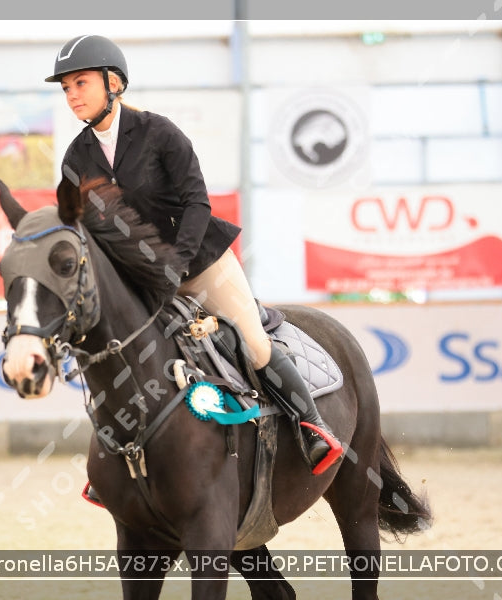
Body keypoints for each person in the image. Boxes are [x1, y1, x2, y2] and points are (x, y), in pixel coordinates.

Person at [46, 34, 342, 474]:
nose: (72, 95)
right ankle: (113, 465)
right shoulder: (76, 157)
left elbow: (196, 204)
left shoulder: (159, 132)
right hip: (137, 279)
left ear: (114, 84)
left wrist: (175, 266)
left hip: (200, 262)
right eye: (66, 88)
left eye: (81, 83)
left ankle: (311, 427)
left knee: (252, 339)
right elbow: (83, 228)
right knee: (117, 353)